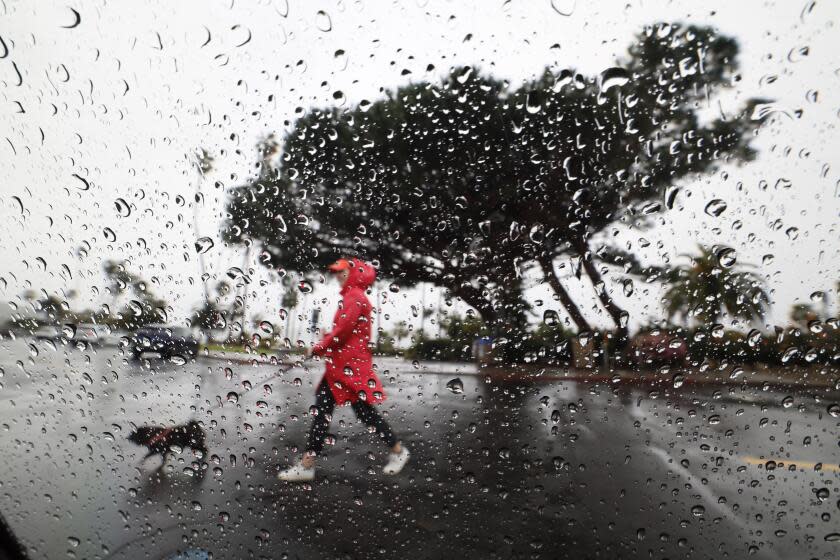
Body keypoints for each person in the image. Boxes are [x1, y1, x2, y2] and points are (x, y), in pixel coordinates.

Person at [277, 257, 409, 482]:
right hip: (341, 366)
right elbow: (341, 331)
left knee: (360, 412)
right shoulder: (352, 297)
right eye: (336, 272)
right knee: (325, 410)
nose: (337, 275)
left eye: (342, 272)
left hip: (350, 368)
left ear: (354, 273)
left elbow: (342, 332)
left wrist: (318, 347)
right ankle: (308, 464)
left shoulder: (355, 297)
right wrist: (323, 345)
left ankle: (398, 451)